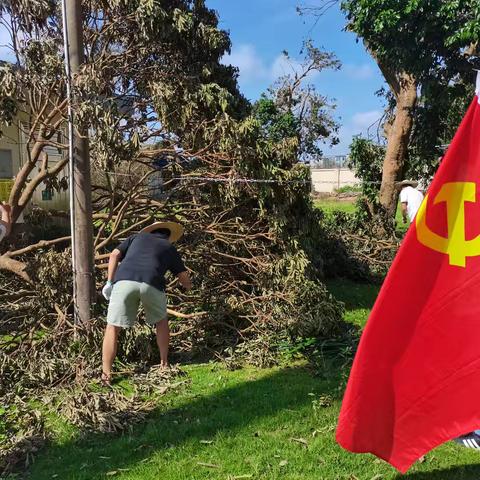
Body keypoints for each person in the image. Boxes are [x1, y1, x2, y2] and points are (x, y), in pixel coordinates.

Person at [101, 221, 192, 385]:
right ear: (168, 236)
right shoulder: (168, 247)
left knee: (112, 326)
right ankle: (164, 363)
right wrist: (188, 287)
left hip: (124, 282)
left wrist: (109, 282)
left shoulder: (135, 238)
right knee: (161, 321)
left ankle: (106, 374)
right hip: (152, 283)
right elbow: (183, 276)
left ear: (151, 231)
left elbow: (114, 255)